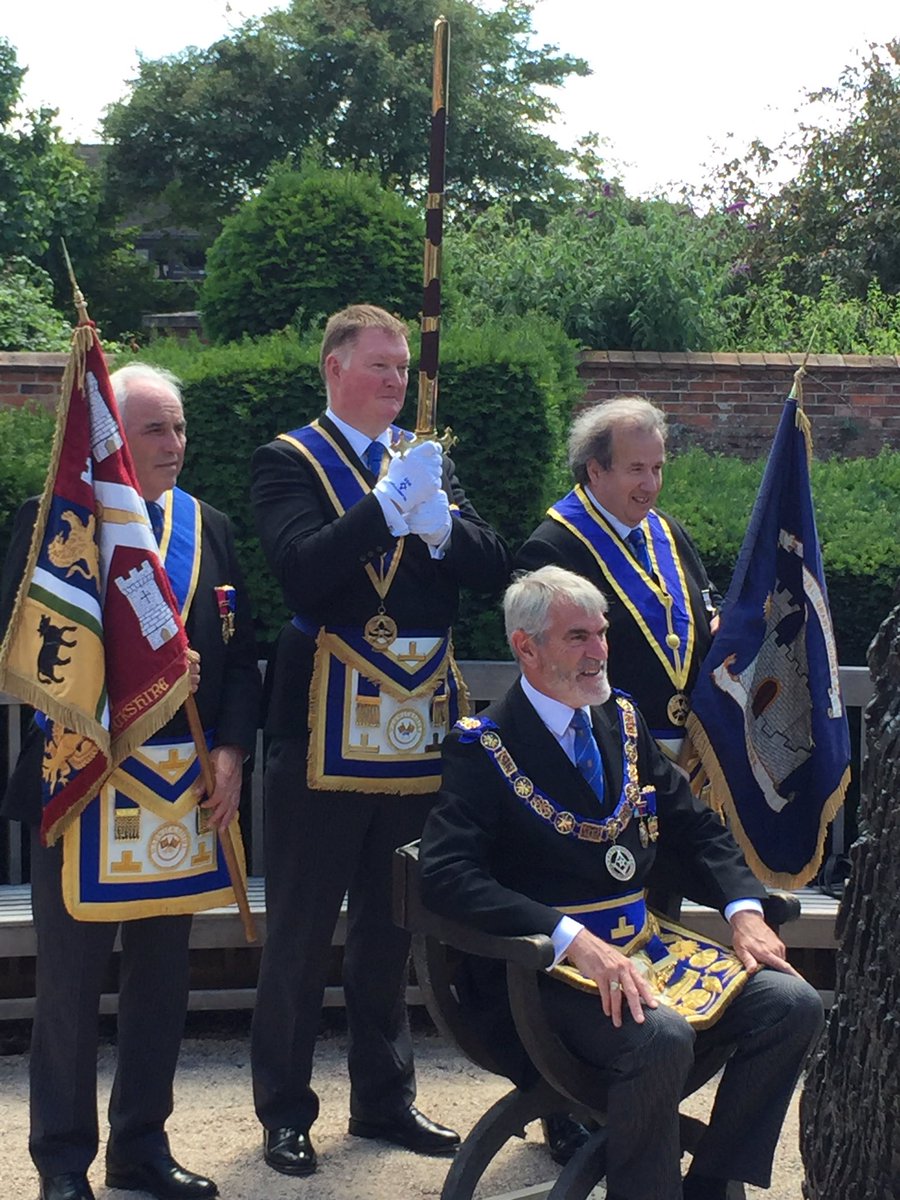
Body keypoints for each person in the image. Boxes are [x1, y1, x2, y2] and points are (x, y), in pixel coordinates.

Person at [419, 566, 824, 1200]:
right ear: (526, 647)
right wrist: (568, 937)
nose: (599, 652)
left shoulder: (623, 722)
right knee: (659, 1038)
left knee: (791, 1005)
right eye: (577, 637)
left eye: (601, 634)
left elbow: (695, 831)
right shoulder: (482, 745)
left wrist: (744, 909)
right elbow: (444, 876)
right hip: (537, 978)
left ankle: (711, 1184)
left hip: (645, 947)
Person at [249, 304, 511, 1177]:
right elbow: (302, 569)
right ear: (333, 369)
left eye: (403, 368)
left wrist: (438, 521)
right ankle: (284, 1111)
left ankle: (384, 1099)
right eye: (380, 367)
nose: (398, 382)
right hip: (322, 722)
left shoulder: (424, 461)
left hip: (411, 728)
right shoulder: (286, 462)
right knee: (300, 930)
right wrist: (381, 510)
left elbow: (491, 564)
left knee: (389, 927)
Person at [0, 364, 260, 1200]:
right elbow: (28, 653)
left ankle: (141, 1148)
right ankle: (62, 1164)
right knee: (71, 989)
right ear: (112, 435)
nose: (175, 445)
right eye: (155, 430)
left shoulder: (208, 526)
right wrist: (133, 676)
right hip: (81, 787)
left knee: (161, 983)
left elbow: (242, 660)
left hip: (181, 793)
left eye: (180, 427)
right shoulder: (52, 524)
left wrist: (232, 753)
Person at [517, 396, 719, 764]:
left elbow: (706, 605)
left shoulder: (669, 531)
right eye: (637, 469)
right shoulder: (553, 548)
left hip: (693, 760)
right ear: (595, 471)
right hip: (607, 757)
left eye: (658, 468)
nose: (650, 484)